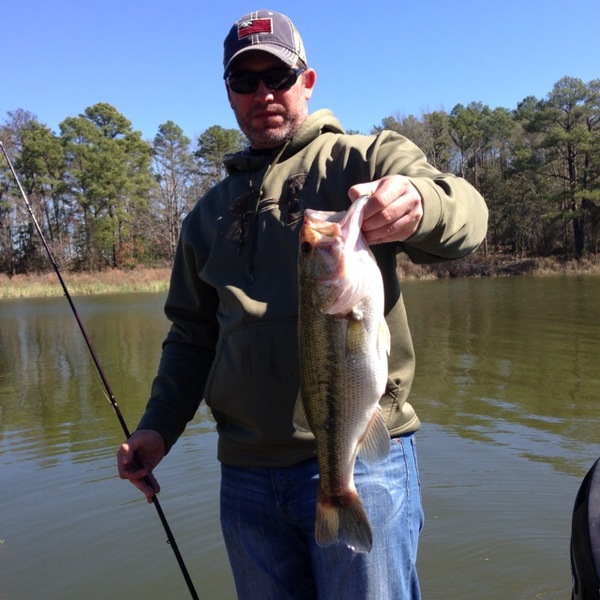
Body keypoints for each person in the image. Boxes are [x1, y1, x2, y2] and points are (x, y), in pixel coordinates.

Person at [117, 9, 488, 599]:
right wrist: (158, 428)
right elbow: (191, 338)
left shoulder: (363, 158)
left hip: (363, 461)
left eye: (278, 76)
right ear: (229, 94)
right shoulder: (205, 218)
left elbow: (467, 213)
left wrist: (421, 203)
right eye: (245, 81)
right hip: (245, 473)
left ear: (307, 81)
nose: (263, 92)